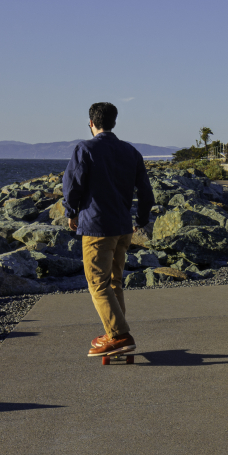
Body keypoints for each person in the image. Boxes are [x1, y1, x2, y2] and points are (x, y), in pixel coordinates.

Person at [63, 102, 154, 360]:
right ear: (114, 122)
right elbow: (146, 192)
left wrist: (71, 212)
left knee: (97, 284)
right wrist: (142, 218)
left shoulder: (85, 149)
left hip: (96, 226)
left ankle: (120, 335)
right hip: (123, 226)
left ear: (91, 123)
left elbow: (72, 186)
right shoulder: (131, 152)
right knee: (115, 283)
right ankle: (115, 334)